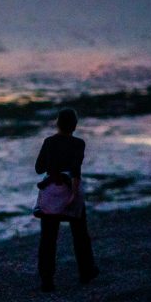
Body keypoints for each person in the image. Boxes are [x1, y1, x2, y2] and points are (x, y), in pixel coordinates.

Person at [34, 108, 99, 292]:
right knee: (80, 234)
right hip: (71, 189)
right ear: (75, 126)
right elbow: (76, 170)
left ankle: (47, 280)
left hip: (52, 192)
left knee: (48, 237)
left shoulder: (49, 142)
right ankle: (86, 271)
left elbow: (39, 168)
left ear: (57, 123)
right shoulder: (79, 143)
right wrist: (74, 194)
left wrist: (52, 165)